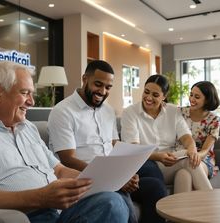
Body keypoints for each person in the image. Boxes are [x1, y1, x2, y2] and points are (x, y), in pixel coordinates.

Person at [0, 61, 129, 223]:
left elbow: (59, 170)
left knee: (114, 197)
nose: (32, 102)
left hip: (55, 211)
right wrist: (41, 197)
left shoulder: (27, 129)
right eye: (25, 93)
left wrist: (101, 180)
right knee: (111, 204)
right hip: (20, 217)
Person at [48, 60, 167, 223]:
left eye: (108, 87)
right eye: (98, 84)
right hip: (84, 179)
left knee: (155, 187)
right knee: (117, 196)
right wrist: (113, 178)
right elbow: (67, 159)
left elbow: (114, 146)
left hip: (111, 175)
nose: (102, 91)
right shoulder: (63, 111)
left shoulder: (108, 110)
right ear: (85, 79)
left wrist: (126, 173)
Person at [121, 74, 213, 194]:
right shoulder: (130, 113)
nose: (148, 97)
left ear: (164, 96)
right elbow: (134, 149)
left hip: (170, 163)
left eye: (155, 95)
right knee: (188, 159)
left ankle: (180, 213)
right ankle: (212, 203)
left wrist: (192, 149)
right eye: (146, 92)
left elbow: (186, 137)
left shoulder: (173, 111)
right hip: (145, 165)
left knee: (184, 174)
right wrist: (158, 156)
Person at [174, 81, 220, 191]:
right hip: (179, 156)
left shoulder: (213, 120)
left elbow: (206, 150)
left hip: (202, 158)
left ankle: (179, 208)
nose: (192, 99)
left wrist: (196, 155)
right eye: (191, 95)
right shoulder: (180, 112)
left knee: (186, 170)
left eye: (197, 97)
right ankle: (211, 205)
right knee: (184, 172)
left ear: (207, 99)